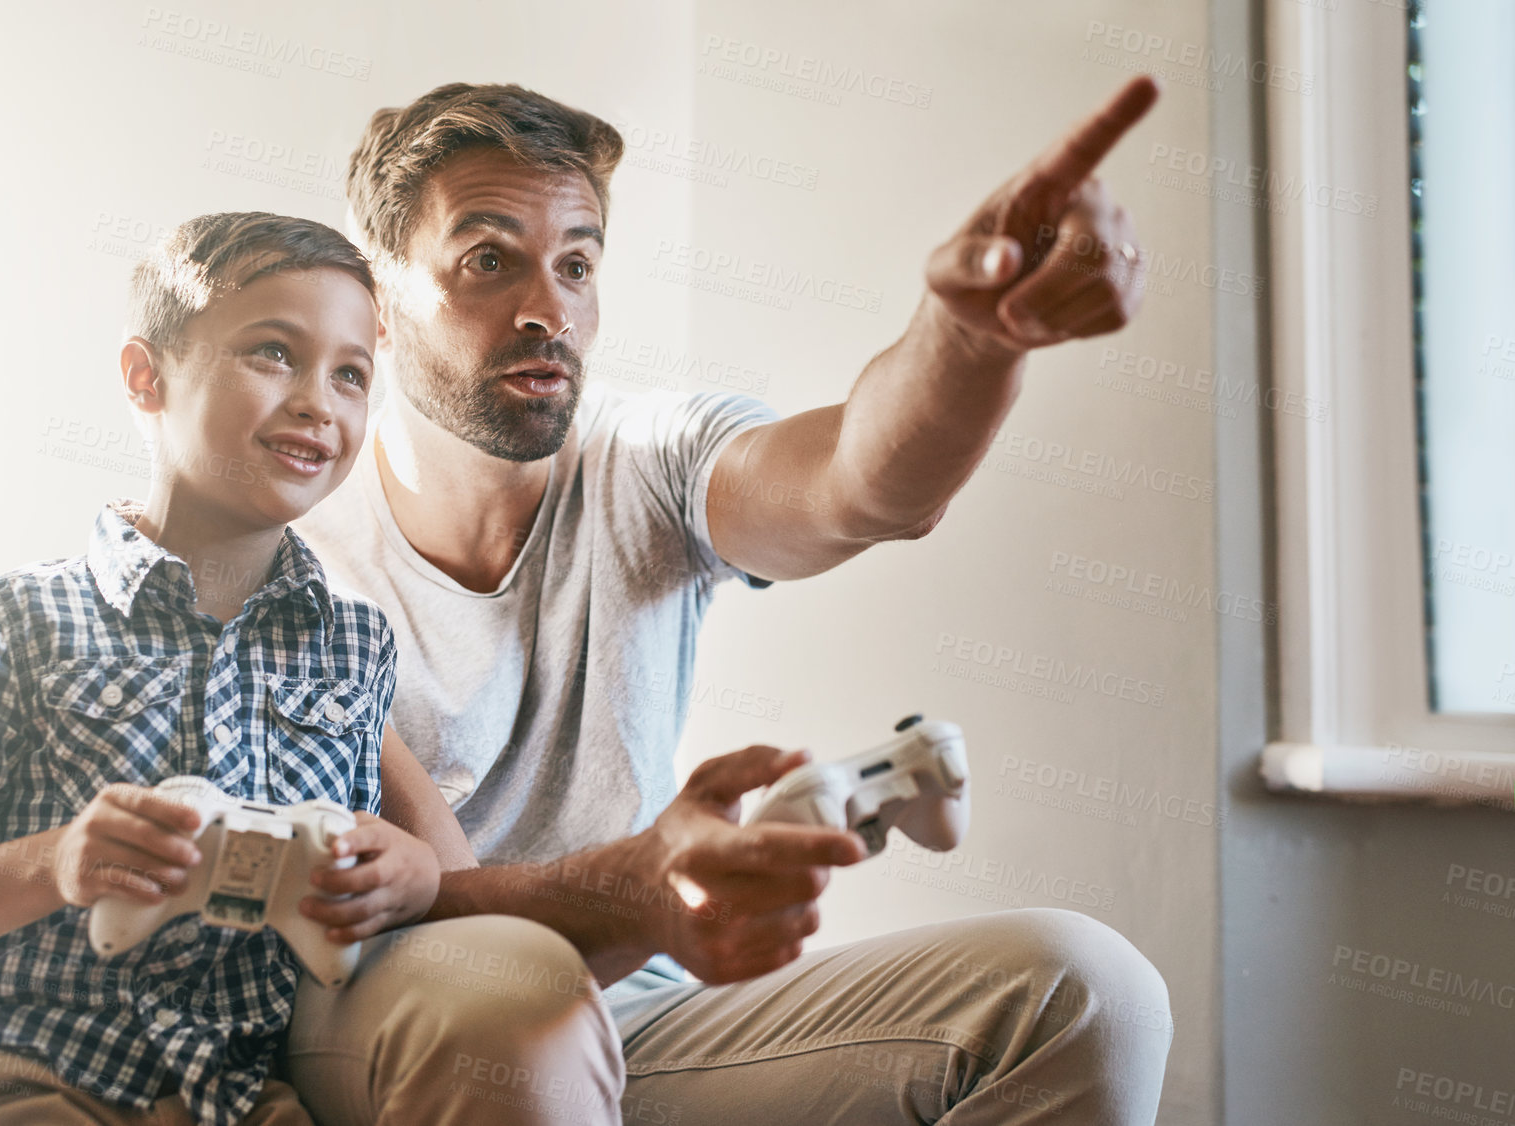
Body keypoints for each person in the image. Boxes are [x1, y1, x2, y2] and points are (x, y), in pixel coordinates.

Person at [284, 79, 1176, 1125]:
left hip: (638, 1004)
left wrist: (970, 339)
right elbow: (388, 898)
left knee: (1082, 992)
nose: (549, 310)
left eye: (575, 263)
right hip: (393, 1018)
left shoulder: (647, 456)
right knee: (507, 992)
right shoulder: (288, 542)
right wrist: (643, 889)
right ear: (376, 303)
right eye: (487, 261)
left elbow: (858, 482)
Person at [0, 213, 476, 1126]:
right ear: (147, 377)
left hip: (249, 1087)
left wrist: (407, 875)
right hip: (33, 1065)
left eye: (350, 375)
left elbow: (452, 883)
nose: (317, 403)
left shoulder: (352, 645)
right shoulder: (12, 622)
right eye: (272, 353)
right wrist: (58, 859)